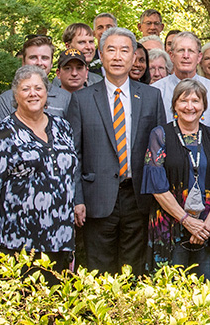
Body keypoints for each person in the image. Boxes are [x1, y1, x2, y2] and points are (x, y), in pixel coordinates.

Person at [68, 27, 166, 273]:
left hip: (138, 197)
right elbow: (73, 156)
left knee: (134, 270)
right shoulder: (82, 99)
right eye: (111, 49)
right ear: (101, 54)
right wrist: (77, 198)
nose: (117, 56)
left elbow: (160, 152)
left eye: (124, 50)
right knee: (98, 270)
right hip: (96, 198)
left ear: (134, 57)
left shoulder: (152, 97)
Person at [0, 65, 79, 271]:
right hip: (15, 244)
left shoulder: (62, 127)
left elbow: (68, 182)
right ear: (16, 94)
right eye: (26, 88)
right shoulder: (2, 134)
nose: (33, 93)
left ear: (47, 92)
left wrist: (70, 242)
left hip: (59, 241)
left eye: (38, 88)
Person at [142, 78, 210, 280]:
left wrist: (207, 223)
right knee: (170, 295)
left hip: (206, 229)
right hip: (170, 226)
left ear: (204, 105)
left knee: (202, 293)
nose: (189, 107)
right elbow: (157, 187)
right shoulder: (160, 135)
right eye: (183, 101)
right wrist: (187, 221)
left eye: (195, 101)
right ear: (174, 105)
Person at [155, 32, 210, 135]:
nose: (186, 56)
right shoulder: (156, 90)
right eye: (181, 50)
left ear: (199, 57)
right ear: (171, 56)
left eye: (191, 51)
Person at [0, 35, 71, 122]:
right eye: (33, 57)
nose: (39, 62)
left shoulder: (66, 98)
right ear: (23, 62)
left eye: (44, 58)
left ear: (51, 63)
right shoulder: (7, 100)